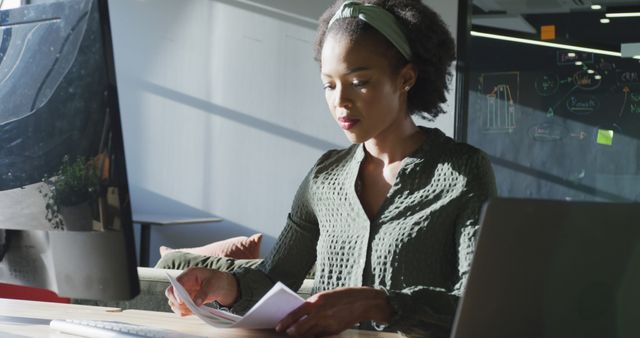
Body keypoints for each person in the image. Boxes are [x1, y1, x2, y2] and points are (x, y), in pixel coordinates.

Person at [165, 0, 496, 337]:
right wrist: (223, 285)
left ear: (406, 78)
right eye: (329, 84)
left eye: (360, 81)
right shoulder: (324, 177)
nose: (341, 101)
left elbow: (481, 306)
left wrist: (377, 303)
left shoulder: (463, 172)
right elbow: (275, 279)